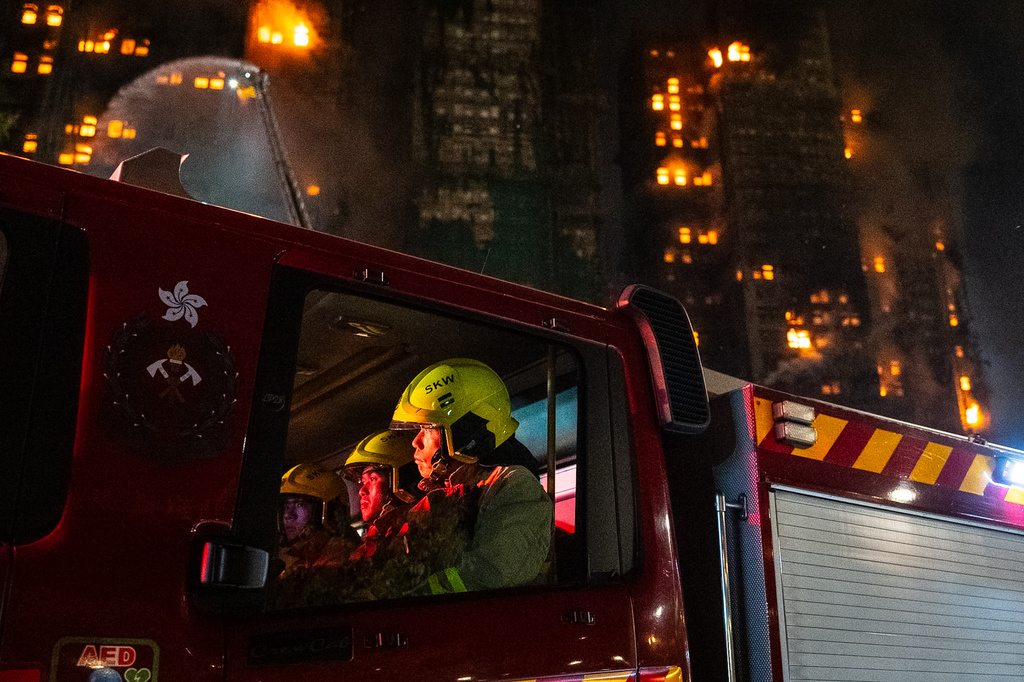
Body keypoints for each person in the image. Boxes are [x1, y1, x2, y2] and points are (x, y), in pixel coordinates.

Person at [389, 358, 554, 594]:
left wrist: (410, 596)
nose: (415, 442)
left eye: (427, 429)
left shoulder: (513, 484)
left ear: (466, 432)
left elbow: (493, 573)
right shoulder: (444, 495)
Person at [343, 430, 418, 560]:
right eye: (363, 481)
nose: (362, 491)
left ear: (402, 480)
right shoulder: (370, 543)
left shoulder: (415, 534)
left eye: (372, 479)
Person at [277, 463, 360, 577]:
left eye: (300, 505)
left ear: (329, 510)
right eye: (286, 507)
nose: (288, 515)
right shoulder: (301, 563)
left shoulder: (341, 556)